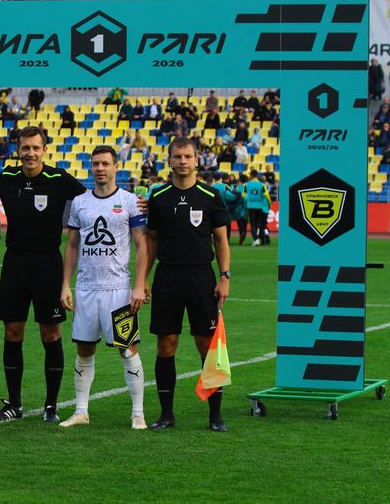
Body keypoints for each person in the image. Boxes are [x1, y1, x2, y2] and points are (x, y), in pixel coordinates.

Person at [0, 126, 87, 423]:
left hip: (48, 265)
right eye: (25, 148)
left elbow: (91, 200)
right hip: (15, 263)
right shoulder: (6, 178)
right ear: (18, 150)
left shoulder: (59, 179)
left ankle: (51, 406)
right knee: (12, 331)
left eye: (35, 148)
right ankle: (14, 404)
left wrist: (131, 203)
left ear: (44, 150)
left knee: (50, 333)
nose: (30, 153)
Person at [144, 137, 231, 432]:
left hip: (201, 277)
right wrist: (143, 279)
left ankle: (215, 416)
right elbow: (152, 240)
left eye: (188, 156)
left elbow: (221, 239)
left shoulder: (211, 195)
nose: (183, 161)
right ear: (169, 160)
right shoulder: (158, 197)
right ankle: (166, 414)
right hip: (167, 277)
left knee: (207, 345)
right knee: (166, 343)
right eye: (177, 156)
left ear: (197, 160)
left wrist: (224, 276)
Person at [59, 146, 149, 430]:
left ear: (116, 167)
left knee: (127, 349)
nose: (100, 168)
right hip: (86, 288)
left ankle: (138, 413)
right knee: (84, 349)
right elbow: (72, 246)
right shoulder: (79, 203)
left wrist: (139, 284)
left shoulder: (130, 201)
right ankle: (81, 411)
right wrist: (66, 284)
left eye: (105, 164)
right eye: (96, 163)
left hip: (118, 289)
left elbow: (142, 244)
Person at [243, 168, 271, 247]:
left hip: (250, 206)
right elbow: (266, 195)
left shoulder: (247, 184)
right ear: (257, 175)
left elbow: (243, 194)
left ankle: (256, 239)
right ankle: (258, 239)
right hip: (260, 206)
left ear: (251, 175)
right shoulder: (262, 185)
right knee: (258, 223)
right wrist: (269, 203)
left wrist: (248, 199)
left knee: (252, 224)